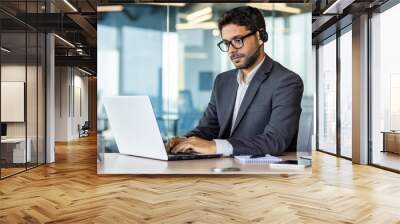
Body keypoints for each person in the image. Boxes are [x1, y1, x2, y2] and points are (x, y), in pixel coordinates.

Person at [166, 6, 304, 156]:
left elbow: (275, 140)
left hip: (262, 173)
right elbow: (208, 129)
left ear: (260, 37)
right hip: (220, 169)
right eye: (226, 43)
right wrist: (184, 141)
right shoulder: (222, 81)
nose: (231, 50)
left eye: (237, 40)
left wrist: (216, 147)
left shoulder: (286, 81)